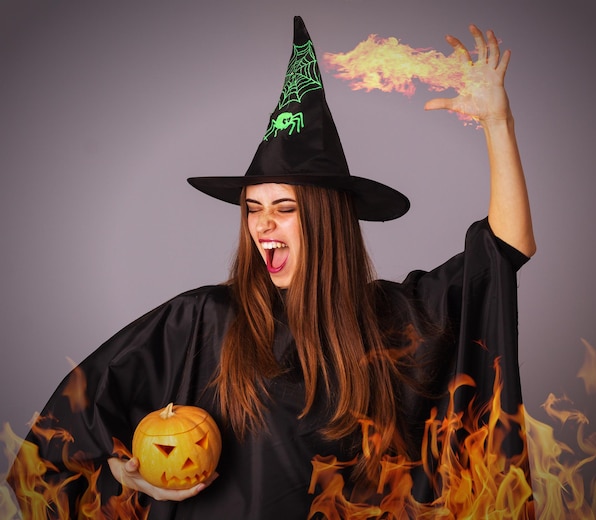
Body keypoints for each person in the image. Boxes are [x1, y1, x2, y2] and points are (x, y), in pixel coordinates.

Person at [9, 16, 536, 518]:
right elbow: (69, 433)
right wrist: (126, 476)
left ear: (326, 223)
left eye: (284, 210)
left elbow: (505, 250)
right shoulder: (201, 320)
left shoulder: (394, 319)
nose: (263, 226)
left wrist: (498, 123)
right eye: (253, 210)